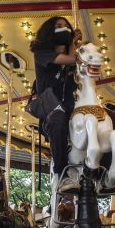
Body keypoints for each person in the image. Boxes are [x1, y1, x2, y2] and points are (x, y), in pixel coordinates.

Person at [30, 16, 82, 195]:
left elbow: (76, 62)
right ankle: (62, 174)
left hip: (69, 107)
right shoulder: (42, 53)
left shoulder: (70, 56)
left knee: (108, 118)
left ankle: (105, 174)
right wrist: (73, 42)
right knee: (58, 119)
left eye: (66, 26)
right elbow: (71, 59)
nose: (63, 28)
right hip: (50, 109)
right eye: (58, 26)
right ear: (49, 31)